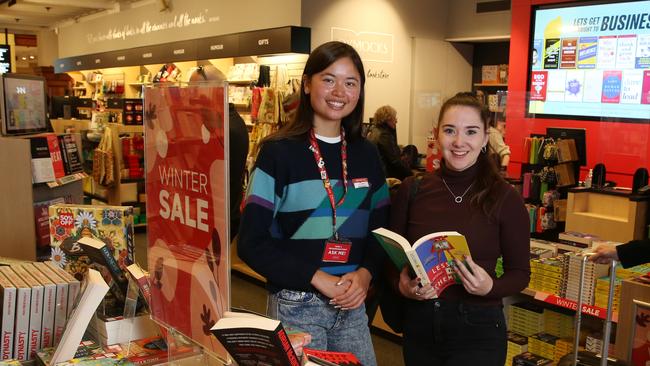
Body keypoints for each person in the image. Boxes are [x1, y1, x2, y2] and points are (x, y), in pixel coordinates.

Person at [237, 41, 389, 366]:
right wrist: (316, 277)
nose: (339, 91)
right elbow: (251, 243)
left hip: (352, 304)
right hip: (297, 304)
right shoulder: (278, 153)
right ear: (307, 84)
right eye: (329, 79)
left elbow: (382, 230)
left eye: (351, 83)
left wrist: (365, 274)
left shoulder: (367, 154)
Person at [389, 92, 530, 366]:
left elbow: (520, 274)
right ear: (437, 134)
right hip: (421, 324)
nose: (459, 142)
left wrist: (491, 286)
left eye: (471, 132)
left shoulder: (505, 198)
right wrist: (402, 285)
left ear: (486, 138)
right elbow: (391, 260)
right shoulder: (412, 190)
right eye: (450, 130)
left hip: (479, 329)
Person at [188, 65, 250, 239]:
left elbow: (212, 181)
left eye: (195, 90)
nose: (190, 96)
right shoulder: (218, 123)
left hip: (218, 223)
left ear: (213, 90)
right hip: (210, 218)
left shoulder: (227, 129)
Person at [367, 105, 413, 180]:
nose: (396, 121)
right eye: (394, 118)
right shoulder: (385, 135)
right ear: (388, 119)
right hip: (387, 175)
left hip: (376, 173)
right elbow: (395, 162)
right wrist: (411, 174)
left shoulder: (373, 130)